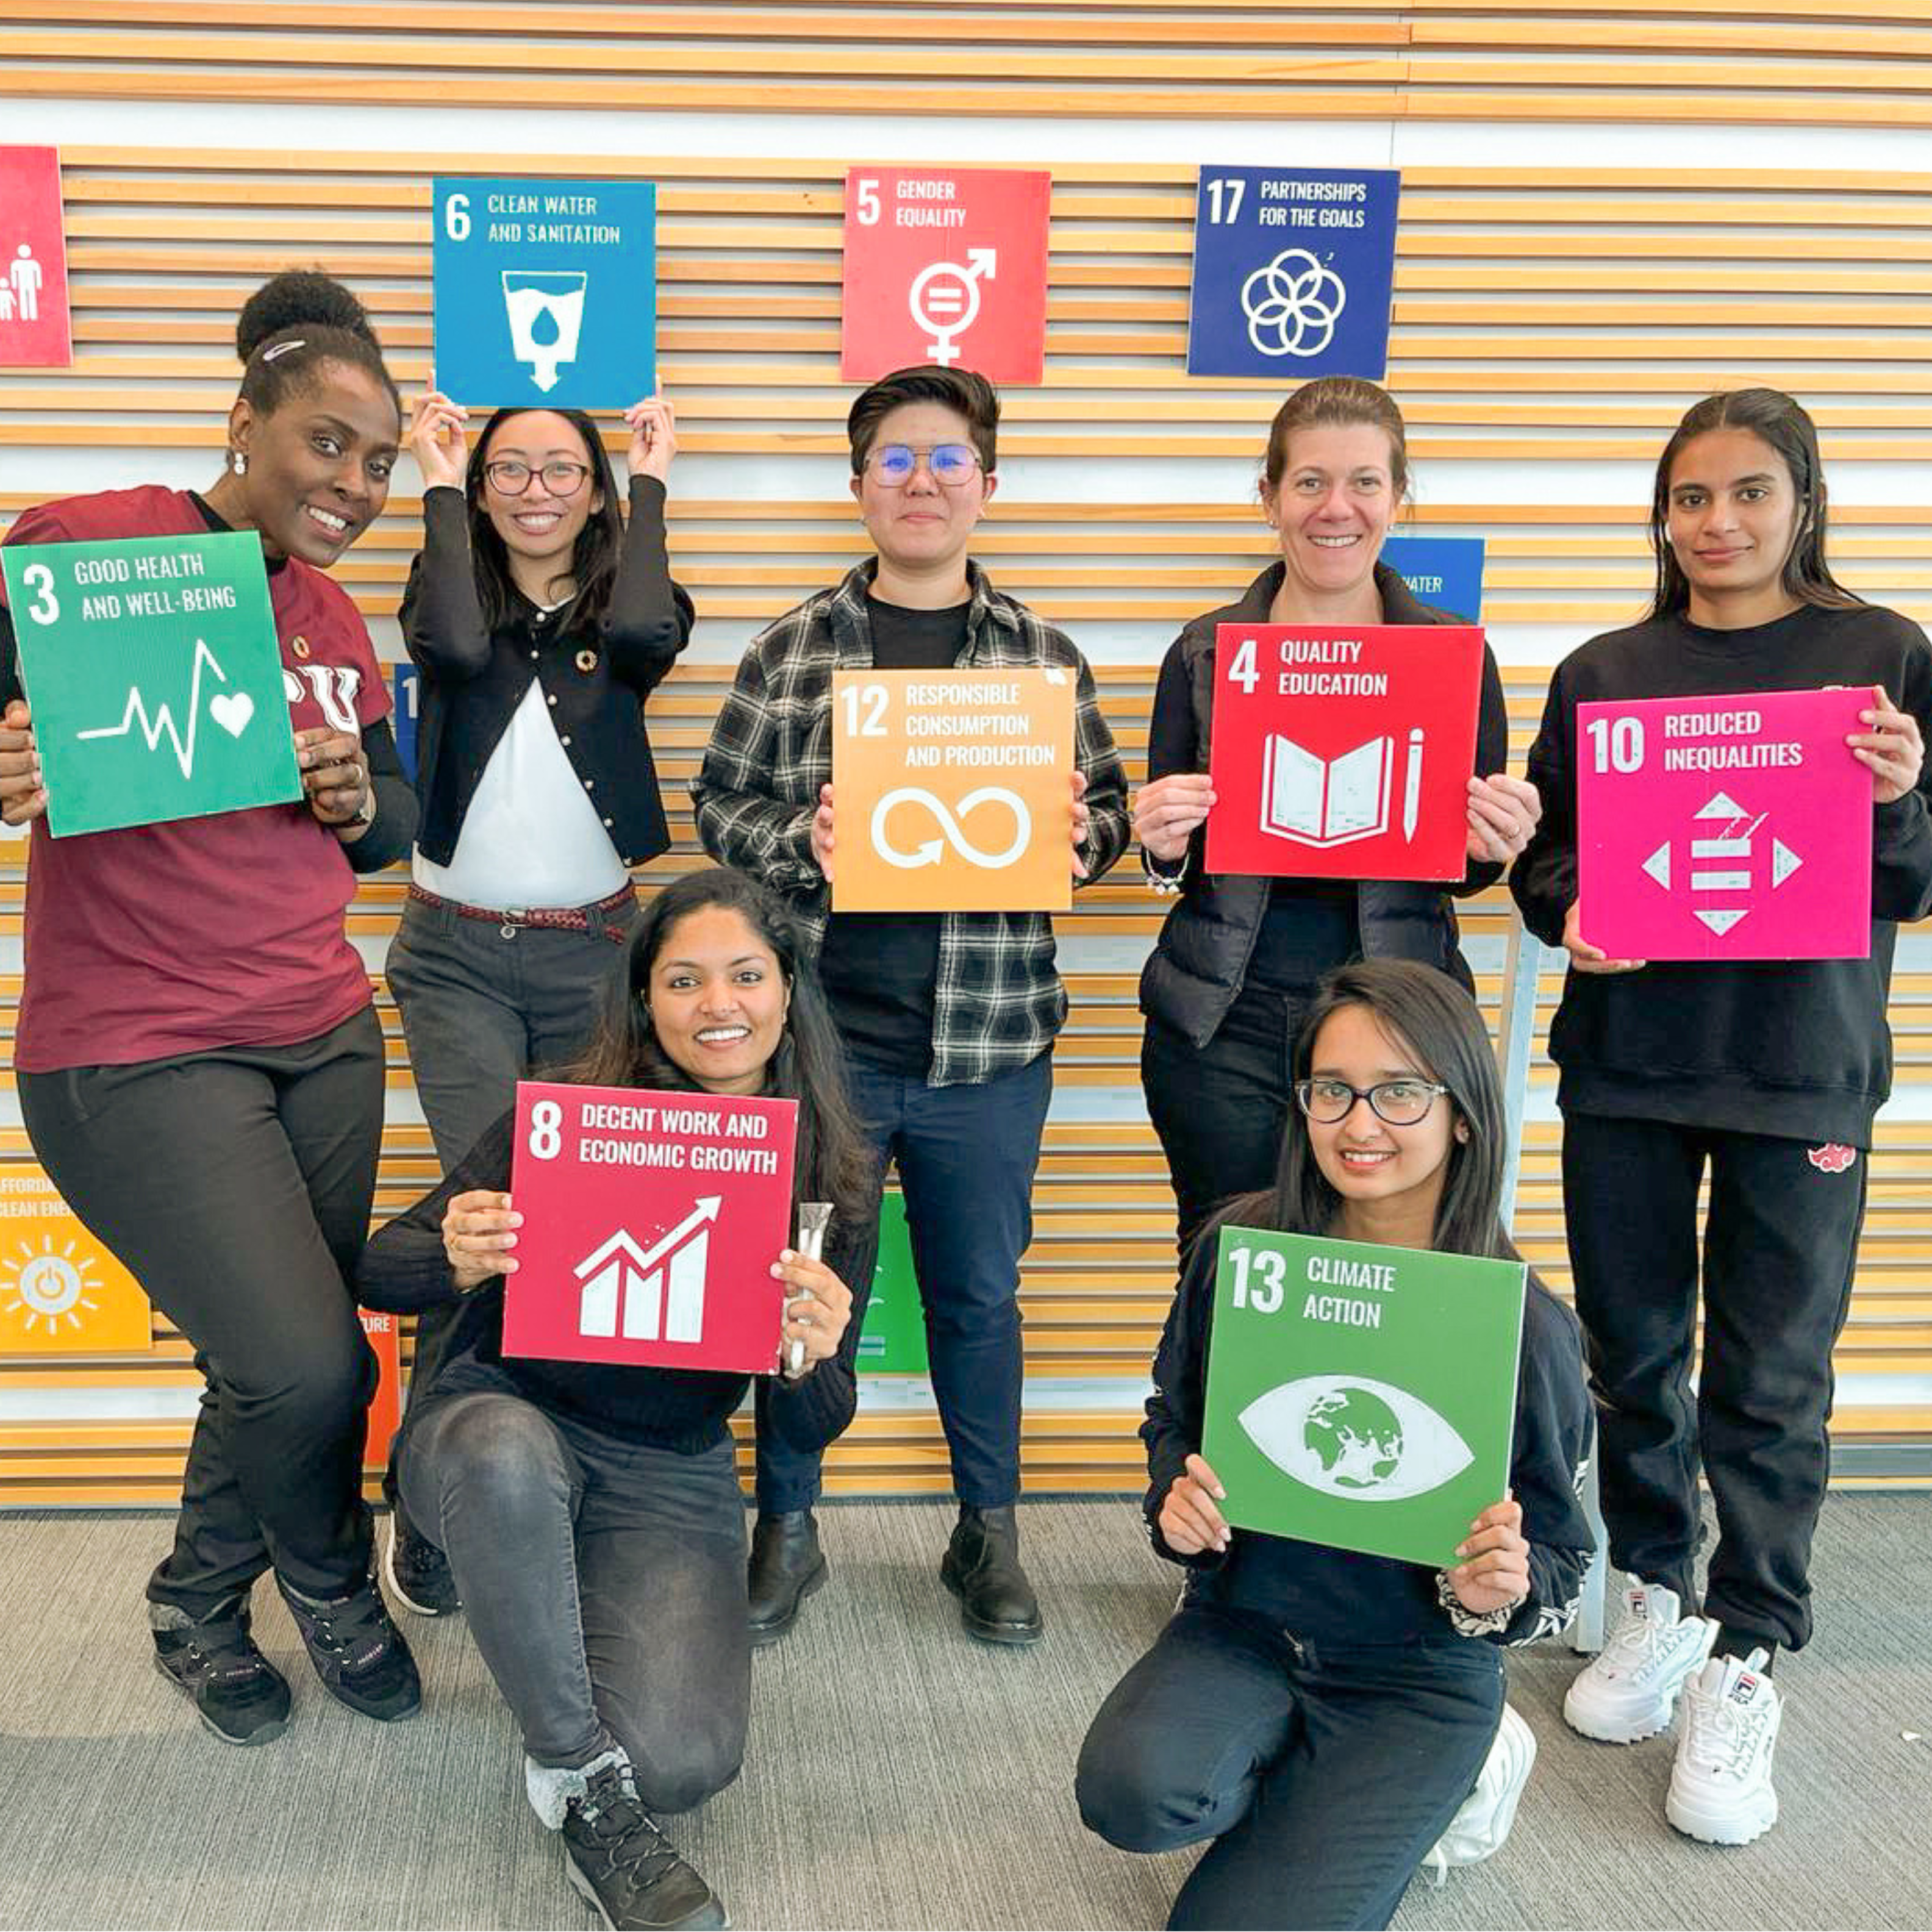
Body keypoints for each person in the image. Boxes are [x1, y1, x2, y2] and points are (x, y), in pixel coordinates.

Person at [0, 270, 421, 1745]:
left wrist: (366, 794)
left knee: (270, 1358)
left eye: (379, 465)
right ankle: (329, 1577)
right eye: (327, 445)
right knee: (311, 1363)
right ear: (242, 422)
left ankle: (194, 1595)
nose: (356, 487)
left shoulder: (339, 623)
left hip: (322, 1030)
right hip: (135, 1048)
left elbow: (387, 834)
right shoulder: (93, 547)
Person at [1511, 387, 1932, 1844]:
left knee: (1773, 1375)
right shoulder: (1604, 669)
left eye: (1750, 493)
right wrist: (1574, 917)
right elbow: (1547, 860)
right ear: (1662, 515)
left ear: (1802, 501)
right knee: (1635, 1355)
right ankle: (1659, 1593)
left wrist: (1900, 795)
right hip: (1631, 1058)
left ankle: (1749, 1645)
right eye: (1692, 498)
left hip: (1801, 1066)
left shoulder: (1881, 659)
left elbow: (1918, 877)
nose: (1719, 522)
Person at [693, 364, 1131, 1647]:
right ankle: (788, 1522)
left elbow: (1099, 819)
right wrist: (800, 839)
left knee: (980, 1298)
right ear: (858, 485)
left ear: (988, 485)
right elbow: (718, 806)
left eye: (947, 459)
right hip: (826, 1047)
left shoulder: (1044, 658)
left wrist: (1077, 836)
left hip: (990, 1048)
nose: (922, 481)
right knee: (799, 1290)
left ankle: (987, 1533)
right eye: (895, 460)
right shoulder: (791, 650)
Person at [357, 866, 873, 1932]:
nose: (717, 1005)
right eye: (682, 981)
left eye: (744, 975)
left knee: (684, 1766)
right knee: (503, 1466)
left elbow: (808, 1426)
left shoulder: (829, 1176)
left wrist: (812, 1360)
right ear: (645, 1001)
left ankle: (541, 1588)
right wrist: (454, 1258)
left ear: (788, 989)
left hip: (668, 1458)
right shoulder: (571, 1121)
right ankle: (581, 1783)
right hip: (499, 1414)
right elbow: (380, 1265)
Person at [1076, 961, 1594, 1930]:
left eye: (1401, 1093)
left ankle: (1463, 1775)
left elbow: (1564, 1557)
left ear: (1464, 1114)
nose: (1360, 1126)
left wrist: (1501, 1590)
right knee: (1132, 1795)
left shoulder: (1520, 1322)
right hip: (1246, 1627)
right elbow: (1173, 1418)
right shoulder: (1244, 1253)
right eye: (1333, 1091)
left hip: (1416, 1673)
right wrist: (1174, 1504)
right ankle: (1313, 1791)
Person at [379, 388, 693, 1617]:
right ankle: (426, 1492)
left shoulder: (630, 602)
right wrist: (441, 476)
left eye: (565, 468)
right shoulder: (442, 580)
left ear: (599, 486)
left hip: (594, 957)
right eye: (513, 467)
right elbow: (455, 648)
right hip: (455, 954)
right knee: (483, 1219)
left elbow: (648, 633)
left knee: (572, 1227)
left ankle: (545, 1481)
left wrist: (654, 479)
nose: (538, 488)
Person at [1133, 377, 1541, 1259]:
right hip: (1222, 1025)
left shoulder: (1455, 663)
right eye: (1310, 482)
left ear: (1399, 497)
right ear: (1269, 497)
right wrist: (1159, 845)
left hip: (1398, 1020)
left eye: (1365, 482)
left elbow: (1463, 869)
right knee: (1227, 1271)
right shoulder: (1203, 653)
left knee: (1386, 1275)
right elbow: (1173, 859)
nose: (1337, 508)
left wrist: (1492, 844)